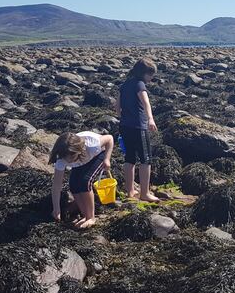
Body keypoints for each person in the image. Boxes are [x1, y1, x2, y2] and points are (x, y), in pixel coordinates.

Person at [49, 131, 114, 229]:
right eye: (66, 159)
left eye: (71, 158)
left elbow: (109, 138)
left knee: (85, 182)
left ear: (78, 151)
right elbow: (56, 186)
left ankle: (91, 217)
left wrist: (107, 159)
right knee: (73, 184)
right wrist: (56, 209)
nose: (69, 161)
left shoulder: (92, 145)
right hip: (81, 161)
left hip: (98, 155)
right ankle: (85, 215)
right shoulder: (61, 159)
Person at [116, 58, 159, 202]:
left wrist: (123, 116)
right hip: (139, 126)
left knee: (130, 158)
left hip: (125, 125)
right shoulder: (140, 84)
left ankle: (130, 191)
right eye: (150, 75)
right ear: (144, 73)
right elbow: (145, 102)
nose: (151, 78)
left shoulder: (125, 84)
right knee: (146, 159)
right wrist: (150, 119)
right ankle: (144, 193)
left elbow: (117, 106)